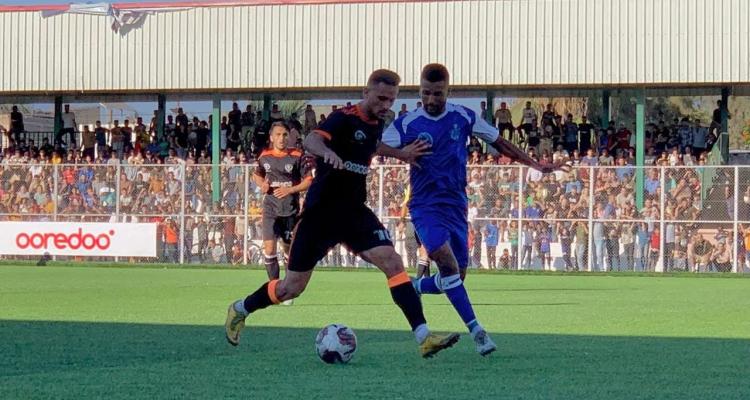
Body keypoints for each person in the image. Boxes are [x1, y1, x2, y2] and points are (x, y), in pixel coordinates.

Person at [225, 69, 459, 358]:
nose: (386, 105)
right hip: (321, 215)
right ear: (366, 93)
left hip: (354, 212)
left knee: (393, 262)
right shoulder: (343, 118)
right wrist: (326, 152)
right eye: (381, 98)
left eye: (391, 100)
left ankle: (423, 337)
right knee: (290, 288)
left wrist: (402, 154)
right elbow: (311, 140)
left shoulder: (377, 122)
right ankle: (240, 309)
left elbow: (372, 145)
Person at [380, 63, 568, 356]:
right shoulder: (408, 123)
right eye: (426, 93)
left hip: (456, 206)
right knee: (445, 262)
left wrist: (535, 164)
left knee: (456, 277)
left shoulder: (464, 116)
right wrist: (402, 154)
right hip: (425, 206)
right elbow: (374, 145)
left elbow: (499, 142)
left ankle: (415, 287)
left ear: (448, 91)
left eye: (437, 94)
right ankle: (477, 331)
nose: (431, 99)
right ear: (419, 91)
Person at [252, 121, 313, 305]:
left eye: (285, 134)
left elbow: (309, 180)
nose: (281, 138)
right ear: (271, 137)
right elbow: (257, 175)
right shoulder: (264, 156)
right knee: (269, 249)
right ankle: (275, 290)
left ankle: (288, 290)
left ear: (289, 137)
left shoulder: (297, 156)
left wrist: (290, 190)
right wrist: (262, 184)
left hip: (290, 210)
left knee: (288, 250)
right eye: (278, 135)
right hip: (270, 209)